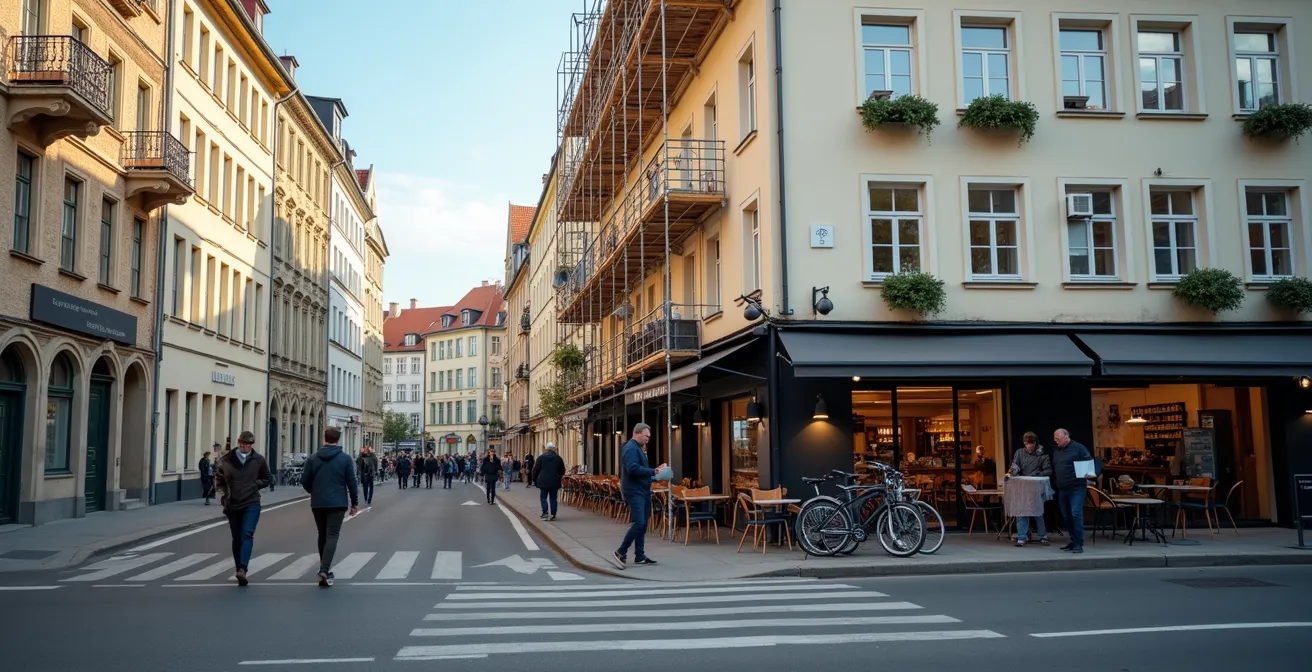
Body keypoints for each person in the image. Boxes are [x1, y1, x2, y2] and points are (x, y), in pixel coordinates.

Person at [301, 426, 360, 587]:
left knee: (322, 534)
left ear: (324, 438)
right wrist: (354, 502)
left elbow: (305, 480)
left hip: (318, 502)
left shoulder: (313, 458)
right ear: (338, 439)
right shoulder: (345, 459)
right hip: (338, 502)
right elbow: (352, 482)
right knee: (332, 535)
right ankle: (325, 569)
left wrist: (314, 491)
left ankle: (324, 568)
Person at [213, 430, 270, 586]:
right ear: (238, 443)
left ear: (251, 445)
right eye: (243, 444)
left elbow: (267, 478)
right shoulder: (226, 461)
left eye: (248, 445)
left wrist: (254, 485)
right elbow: (218, 481)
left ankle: (243, 569)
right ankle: (239, 569)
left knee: (247, 534)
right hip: (232, 503)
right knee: (237, 537)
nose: (245, 447)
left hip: (251, 502)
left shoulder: (258, 460)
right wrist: (223, 498)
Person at [613, 423, 666, 568]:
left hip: (642, 490)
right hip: (635, 491)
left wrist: (654, 472)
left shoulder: (637, 448)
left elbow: (637, 468)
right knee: (639, 523)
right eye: (646, 435)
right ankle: (620, 551)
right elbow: (632, 468)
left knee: (642, 524)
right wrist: (653, 471)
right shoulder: (631, 448)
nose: (648, 438)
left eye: (649, 436)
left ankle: (640, 555)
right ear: (637, 433)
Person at [1052, 428, 1095, 554]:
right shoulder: (1057, 450)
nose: (1056, 441)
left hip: (1077, 487)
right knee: (1066, 516)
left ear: (1066, 437)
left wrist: (1091, 473)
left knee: (1076, 513)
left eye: (1058, 438)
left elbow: (1089, 461)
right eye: (1055, 438)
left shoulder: (1078, 448)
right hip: (1062, 488)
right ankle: (1072, 540)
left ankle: (1079, 544)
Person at [1006, 431, 1053, 546]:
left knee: (1038, 512)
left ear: (1035, 442)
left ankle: (1042, 535)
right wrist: (1012, 472)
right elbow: (1015, 466)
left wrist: (1036, 474)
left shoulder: (1042, 454)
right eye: (1026, 443)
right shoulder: (1020, 452)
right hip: (1022, 486)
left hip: (1036, 486)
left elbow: (1048, 470)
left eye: (1030, 443)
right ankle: (1022, 536)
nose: (1028, 446)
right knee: (1021, 512)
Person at [532, 443, 566, 521]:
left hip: (543, 481)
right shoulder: (558, 458)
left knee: (543, 497)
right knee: (553, 498)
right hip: (555, 481)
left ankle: (545, 513)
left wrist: (534, 479)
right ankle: (553, 514)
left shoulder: (541, 458)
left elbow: (536, 469)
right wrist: (558, 476)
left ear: (546, 449)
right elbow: (562, 471)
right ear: (554, 449)